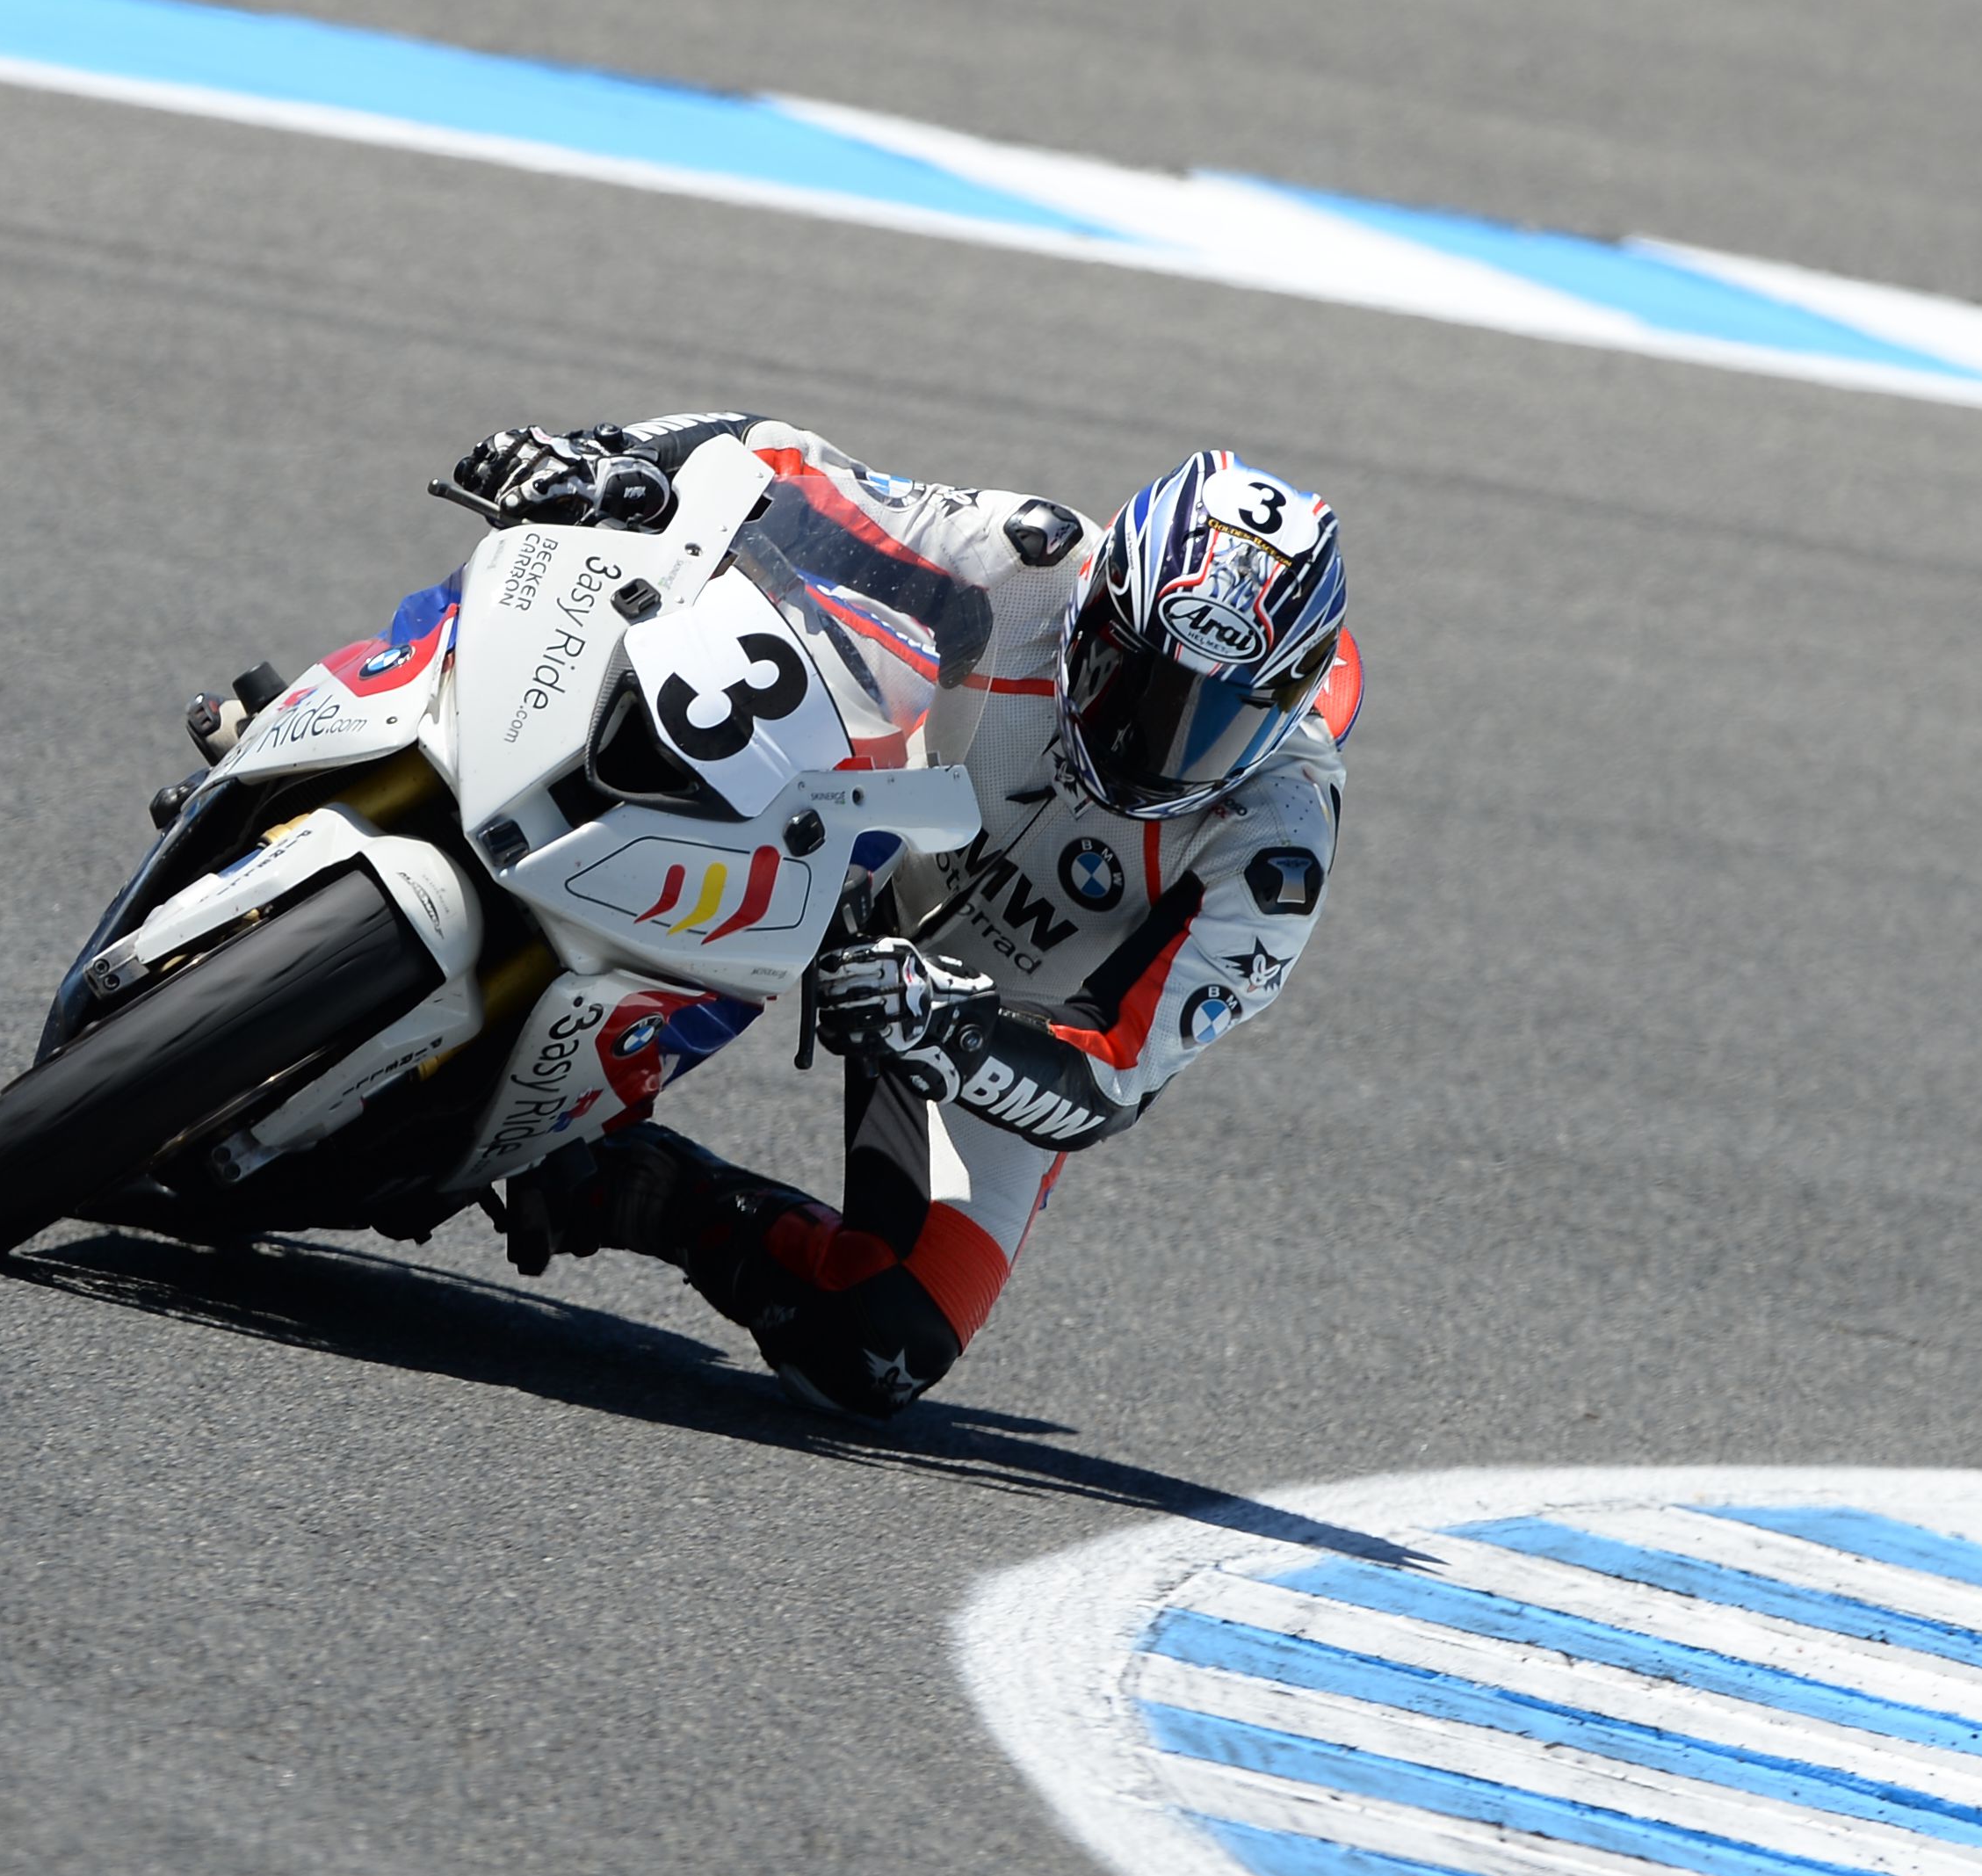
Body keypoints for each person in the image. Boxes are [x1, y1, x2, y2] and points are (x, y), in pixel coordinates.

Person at [438, 415, 1357, 1419]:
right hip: (848, 841)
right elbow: (790, 468)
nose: (1151, 743)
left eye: (1215, 720)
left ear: (1291, 701)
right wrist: (611, 453)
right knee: (597, 601)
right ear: (1099, 604)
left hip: (989, 1018)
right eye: (1132, 679)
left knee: (878, 1347)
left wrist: (954, 1034)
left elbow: (1109, 1082)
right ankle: (314, 739)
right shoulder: (1030, 564)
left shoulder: (1276, 847)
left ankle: (623, 1186)